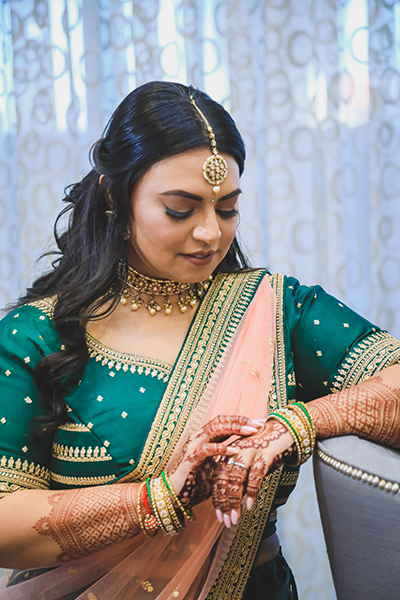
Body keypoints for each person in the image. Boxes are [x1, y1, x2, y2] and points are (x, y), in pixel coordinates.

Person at [0, 81, 399, 600]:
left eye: (227, 208)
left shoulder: (275, 310)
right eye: (180, 210)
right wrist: (160, 499)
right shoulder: (39, 334)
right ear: (115, 196)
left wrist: (298, 423)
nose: (210, 233)